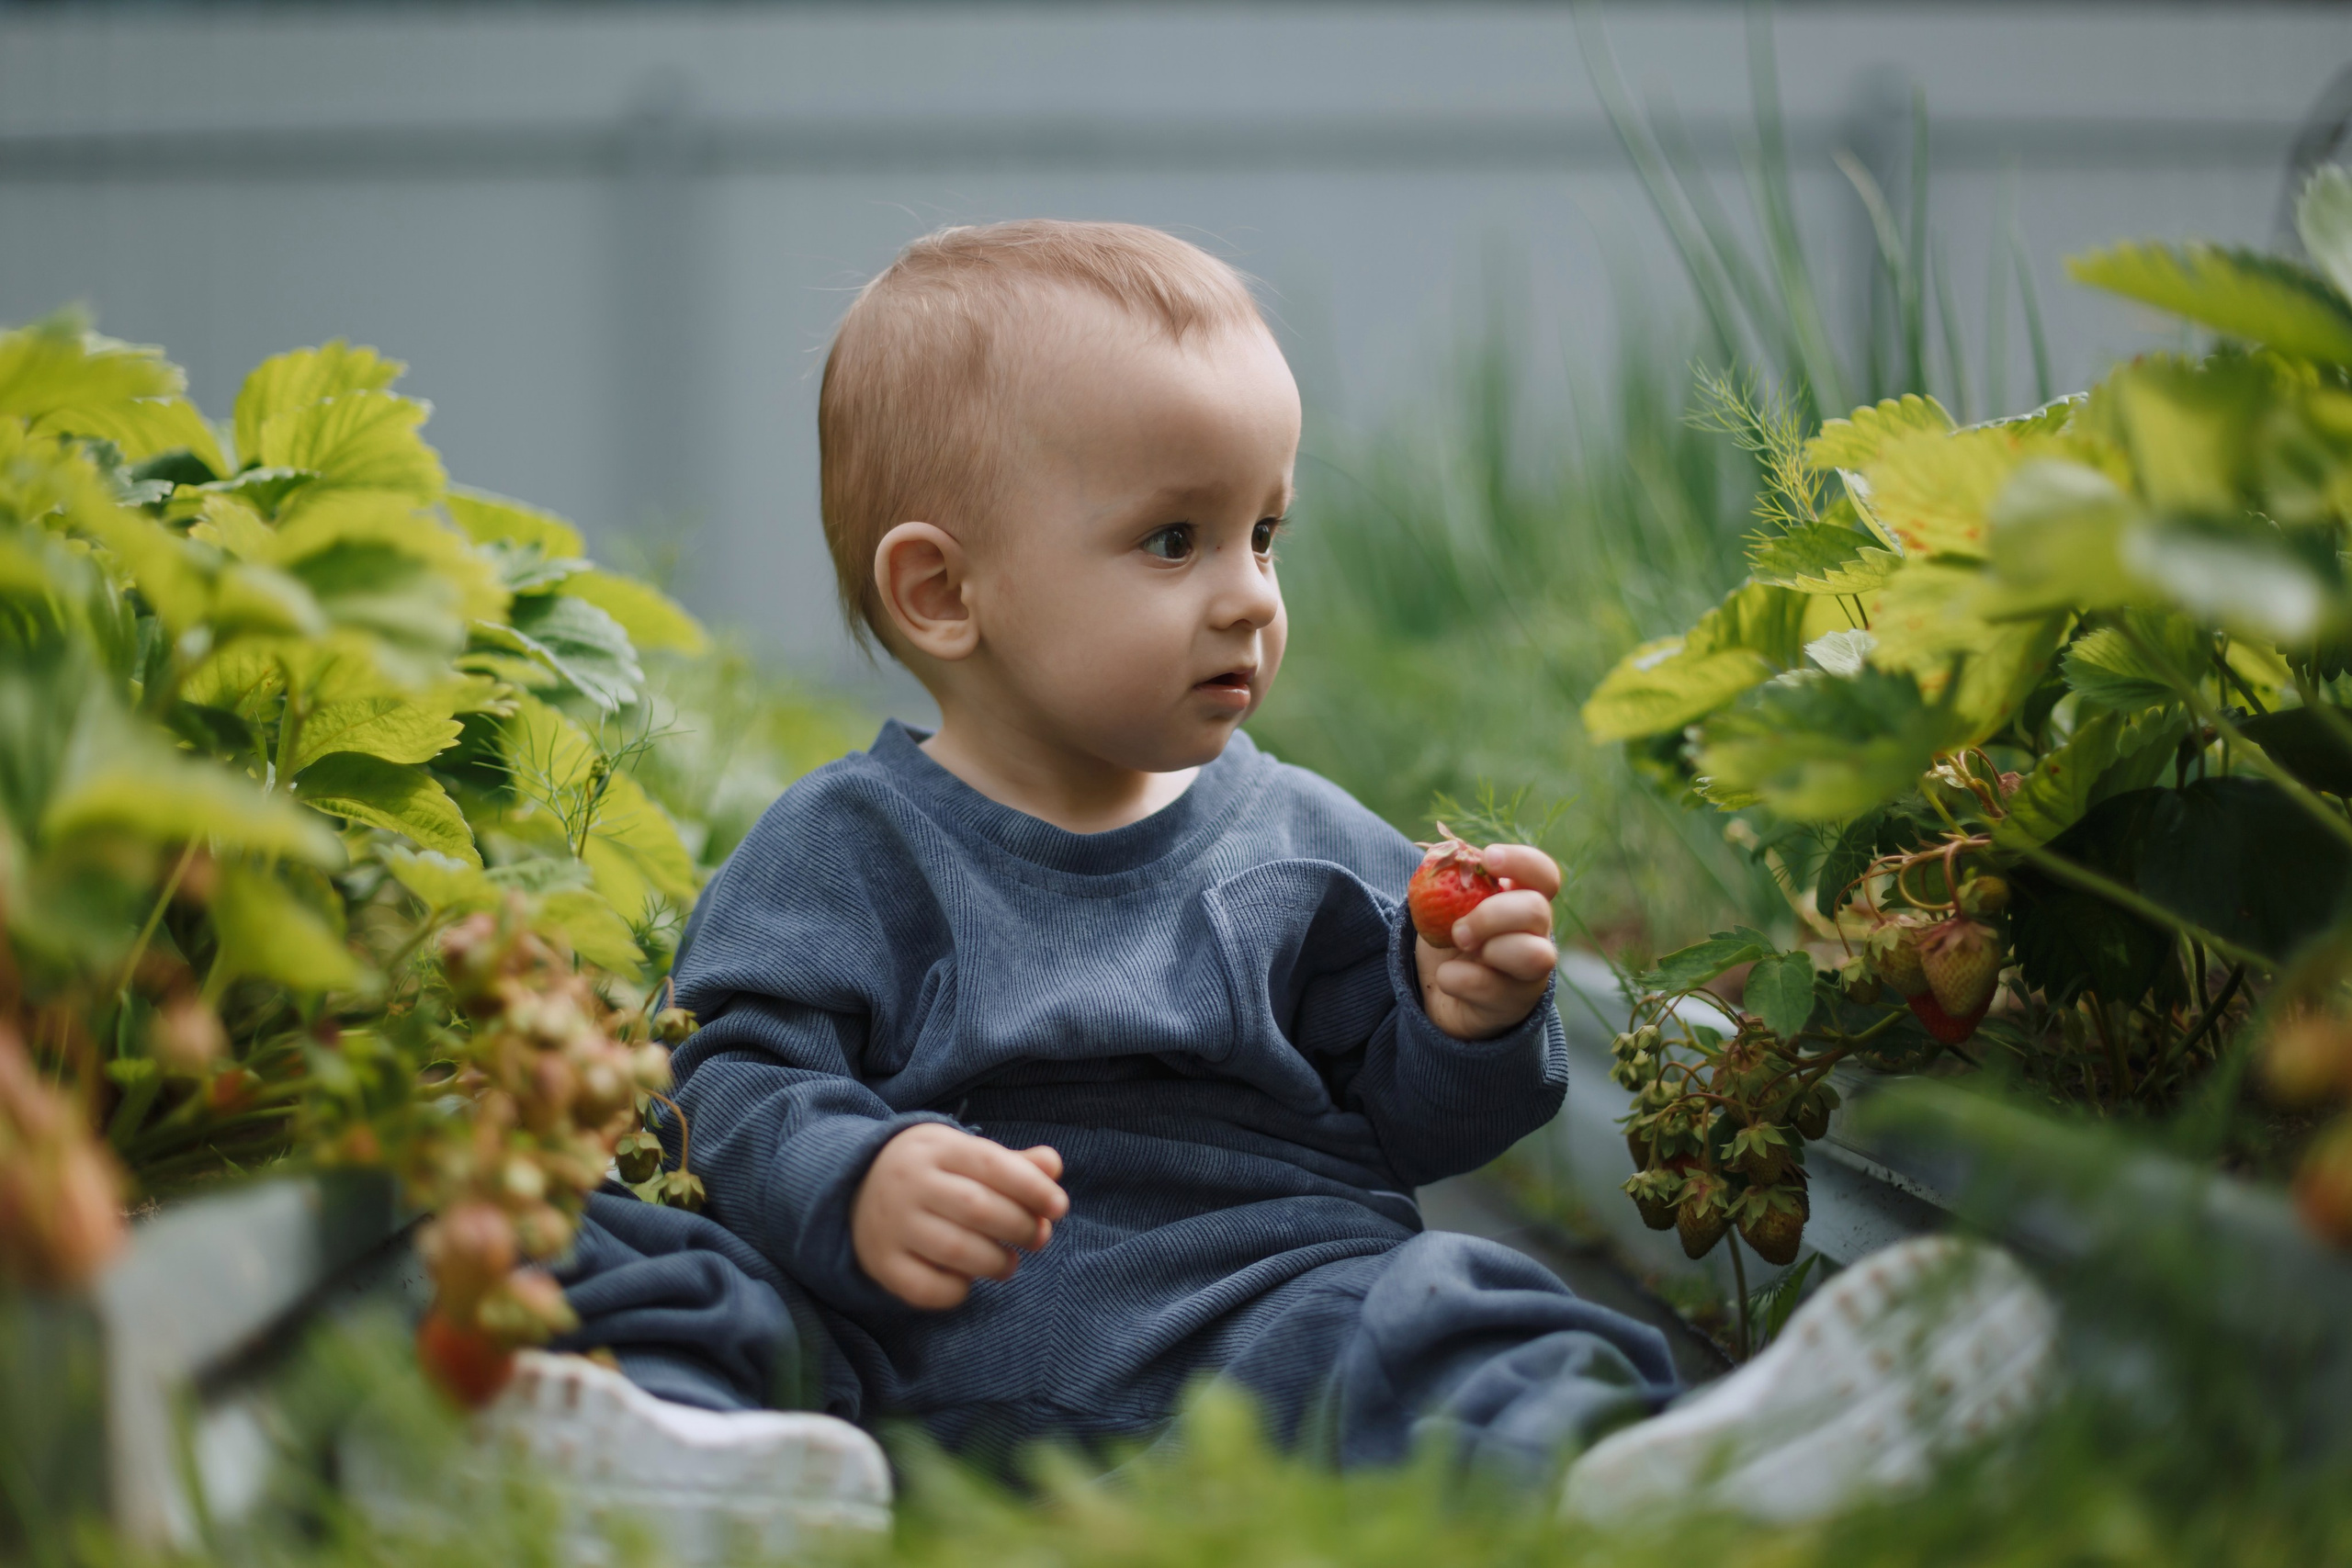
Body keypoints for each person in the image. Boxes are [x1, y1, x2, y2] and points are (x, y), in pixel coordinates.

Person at [498, 220, 2056, 1545]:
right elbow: (727, 1076)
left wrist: (1466, 1015)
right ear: (943, 591)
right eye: (1175, 540)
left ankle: (1641, 1473)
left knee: (1451, 1305)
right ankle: (707, 1480)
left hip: (1256, 1325)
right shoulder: (845, 847)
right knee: (634, 1252)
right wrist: (852, 1177)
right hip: (901, 1344)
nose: (1250, 595)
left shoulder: (1303, 837)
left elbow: (1428, 1124)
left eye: (1266, 531)